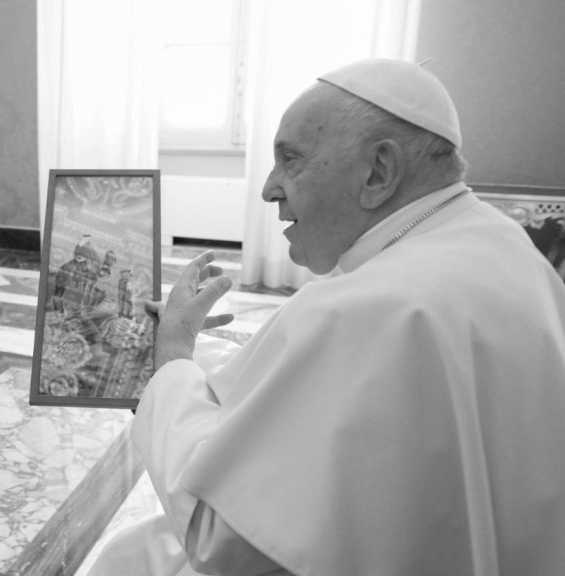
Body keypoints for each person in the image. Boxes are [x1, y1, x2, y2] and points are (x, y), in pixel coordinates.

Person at [89, 59, 565, 576]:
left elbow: (221, 535)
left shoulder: (372, 308)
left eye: (289, 160)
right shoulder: (497, 241)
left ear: (378, 172)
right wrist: (194, 346)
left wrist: (174, 359)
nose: (269, 188)